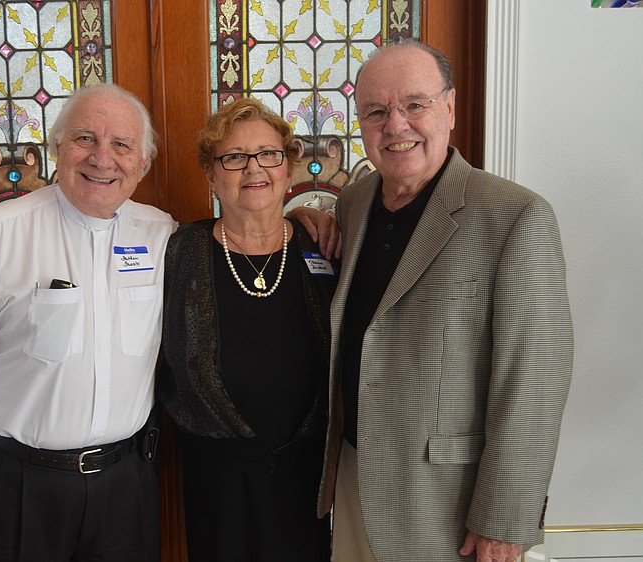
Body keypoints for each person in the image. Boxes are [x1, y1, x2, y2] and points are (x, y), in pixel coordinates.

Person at [318, 40, 574, 562]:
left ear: (450, 108)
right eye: (376, 110)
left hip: (449, 506)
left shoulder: (515, 217)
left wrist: (505, 518)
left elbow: (535, 381)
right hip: (352, 479)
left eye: (415, 104)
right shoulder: (353, 203)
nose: (396, 125)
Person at [0, 83, 175, 562]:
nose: (103, 158)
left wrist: (305, 218)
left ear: (143, 163)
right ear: (57, 147)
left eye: (122, 145)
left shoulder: (162, 234)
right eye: (85, 138)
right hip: (20, 486)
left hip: (126, 485)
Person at [158, 98, 337, 562]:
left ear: (289, 167)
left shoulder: (324, 246)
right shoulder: (179, 251)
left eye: (268, 154)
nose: (253, 168)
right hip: (218, 487)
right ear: (211, 175)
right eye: (234, 157)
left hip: (309, 482)